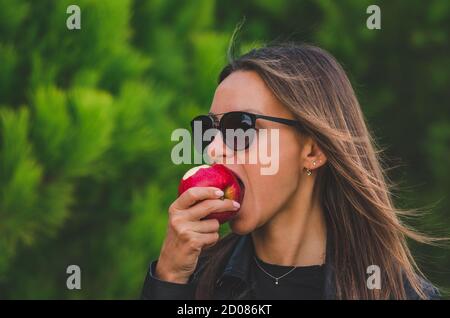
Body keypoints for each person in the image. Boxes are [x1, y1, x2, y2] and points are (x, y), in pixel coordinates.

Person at [141, 43, 440, 300]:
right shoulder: (195, 281)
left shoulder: (394, 292)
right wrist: (169, 278)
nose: (213, 149)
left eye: (240, 128)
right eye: (208, 131)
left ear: (313, 151)